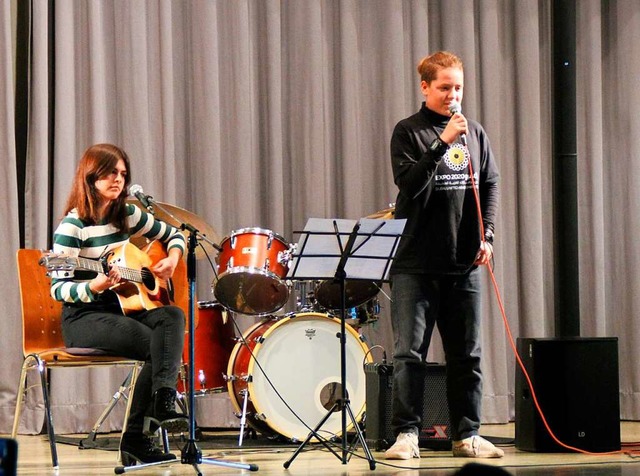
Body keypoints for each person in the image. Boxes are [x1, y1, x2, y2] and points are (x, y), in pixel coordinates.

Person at [384, 51, 502, 460]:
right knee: (409, 355)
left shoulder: (477, 134)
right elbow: (410, 185)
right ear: (425, 87)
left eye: (458, 87)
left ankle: (466, 435)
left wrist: (486, 234)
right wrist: (442, 142)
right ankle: (406, 435)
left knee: (467, 354)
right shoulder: (408, 132)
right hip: (415, 263)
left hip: (463, 263)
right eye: (445, 87)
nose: (453, 95)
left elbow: (489, 184)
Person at [49, 143, 189, 465]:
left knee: (172, 316)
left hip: (123, 308)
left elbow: (176, 234)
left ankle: (163, 400)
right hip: (84, 316)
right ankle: (139, 437)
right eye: (112, 172)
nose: (119, 180)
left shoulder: (127, 214)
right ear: (91, 176)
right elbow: (58, 289)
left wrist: (172, 258)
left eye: (123, 174)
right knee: (158, 344)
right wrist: (94, 285)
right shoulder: (73, 227)